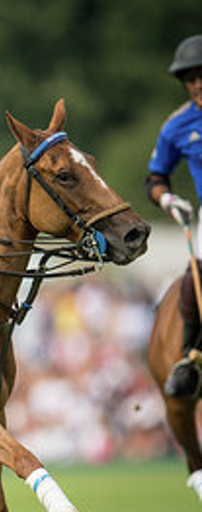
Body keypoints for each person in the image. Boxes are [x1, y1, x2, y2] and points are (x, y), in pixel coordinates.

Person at [145, 35, 202, 397]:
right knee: (193, 284)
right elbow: (154, 178)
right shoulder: (177, 126)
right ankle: (189, 360)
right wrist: (167, 200)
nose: (197, 83)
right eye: (190, 77)